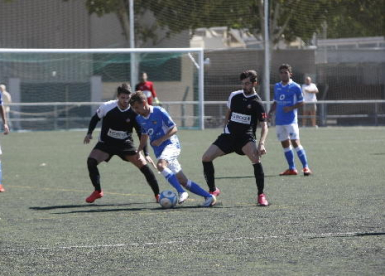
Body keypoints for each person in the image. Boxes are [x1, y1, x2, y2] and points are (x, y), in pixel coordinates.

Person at [130, 91, 216, 207]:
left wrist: (161, 139)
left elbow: (174, 128)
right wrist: (139, 150)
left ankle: (181, 192)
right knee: (182, 180)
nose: (136, 110)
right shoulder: (140, 118)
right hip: (159, 151)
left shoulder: (158, 111)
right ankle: (209, 197)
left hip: (171, 144)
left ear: (144, 102)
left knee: (161, 166)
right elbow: (144, 135)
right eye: (134, 108)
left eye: (137, 107)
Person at [202, 70, 269, 206]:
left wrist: (261, 143)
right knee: (206, 158)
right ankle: (213, 190)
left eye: (248, 83)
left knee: (256, 160)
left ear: (255, 83)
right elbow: (229, 112)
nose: (245, 86)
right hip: (229, 136)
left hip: (245, 138)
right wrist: (225, 127)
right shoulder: (234, 95)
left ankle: (261, 194)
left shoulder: (257, 103)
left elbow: (264, 126)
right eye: (243, 83)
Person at [83, 83, 160, 203]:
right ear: (118, 96)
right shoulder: (107, 106)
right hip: (106, 144)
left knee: (144, 166)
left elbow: (141, 133)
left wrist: (145, 153)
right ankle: (98, 191)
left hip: (125, 144)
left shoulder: (134, 112)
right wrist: (89, 133)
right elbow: (95, 118)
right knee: (91, 161)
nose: (125, 101)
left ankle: (157, 195)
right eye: (122, 98)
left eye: (127, 98)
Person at [268, 64, 312, 176]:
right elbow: (276, 102)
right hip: (279, 121)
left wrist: (291, 108)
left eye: (285, 72)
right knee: (285, 144)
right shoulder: (277, 86)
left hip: (291, 121)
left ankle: (306, 167)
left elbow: (302, 102)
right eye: (281, 72)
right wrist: (269, 113)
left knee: (295, 143)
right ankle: (292, 168)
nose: (283, 74)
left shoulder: (295, 87)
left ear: (290, 74)